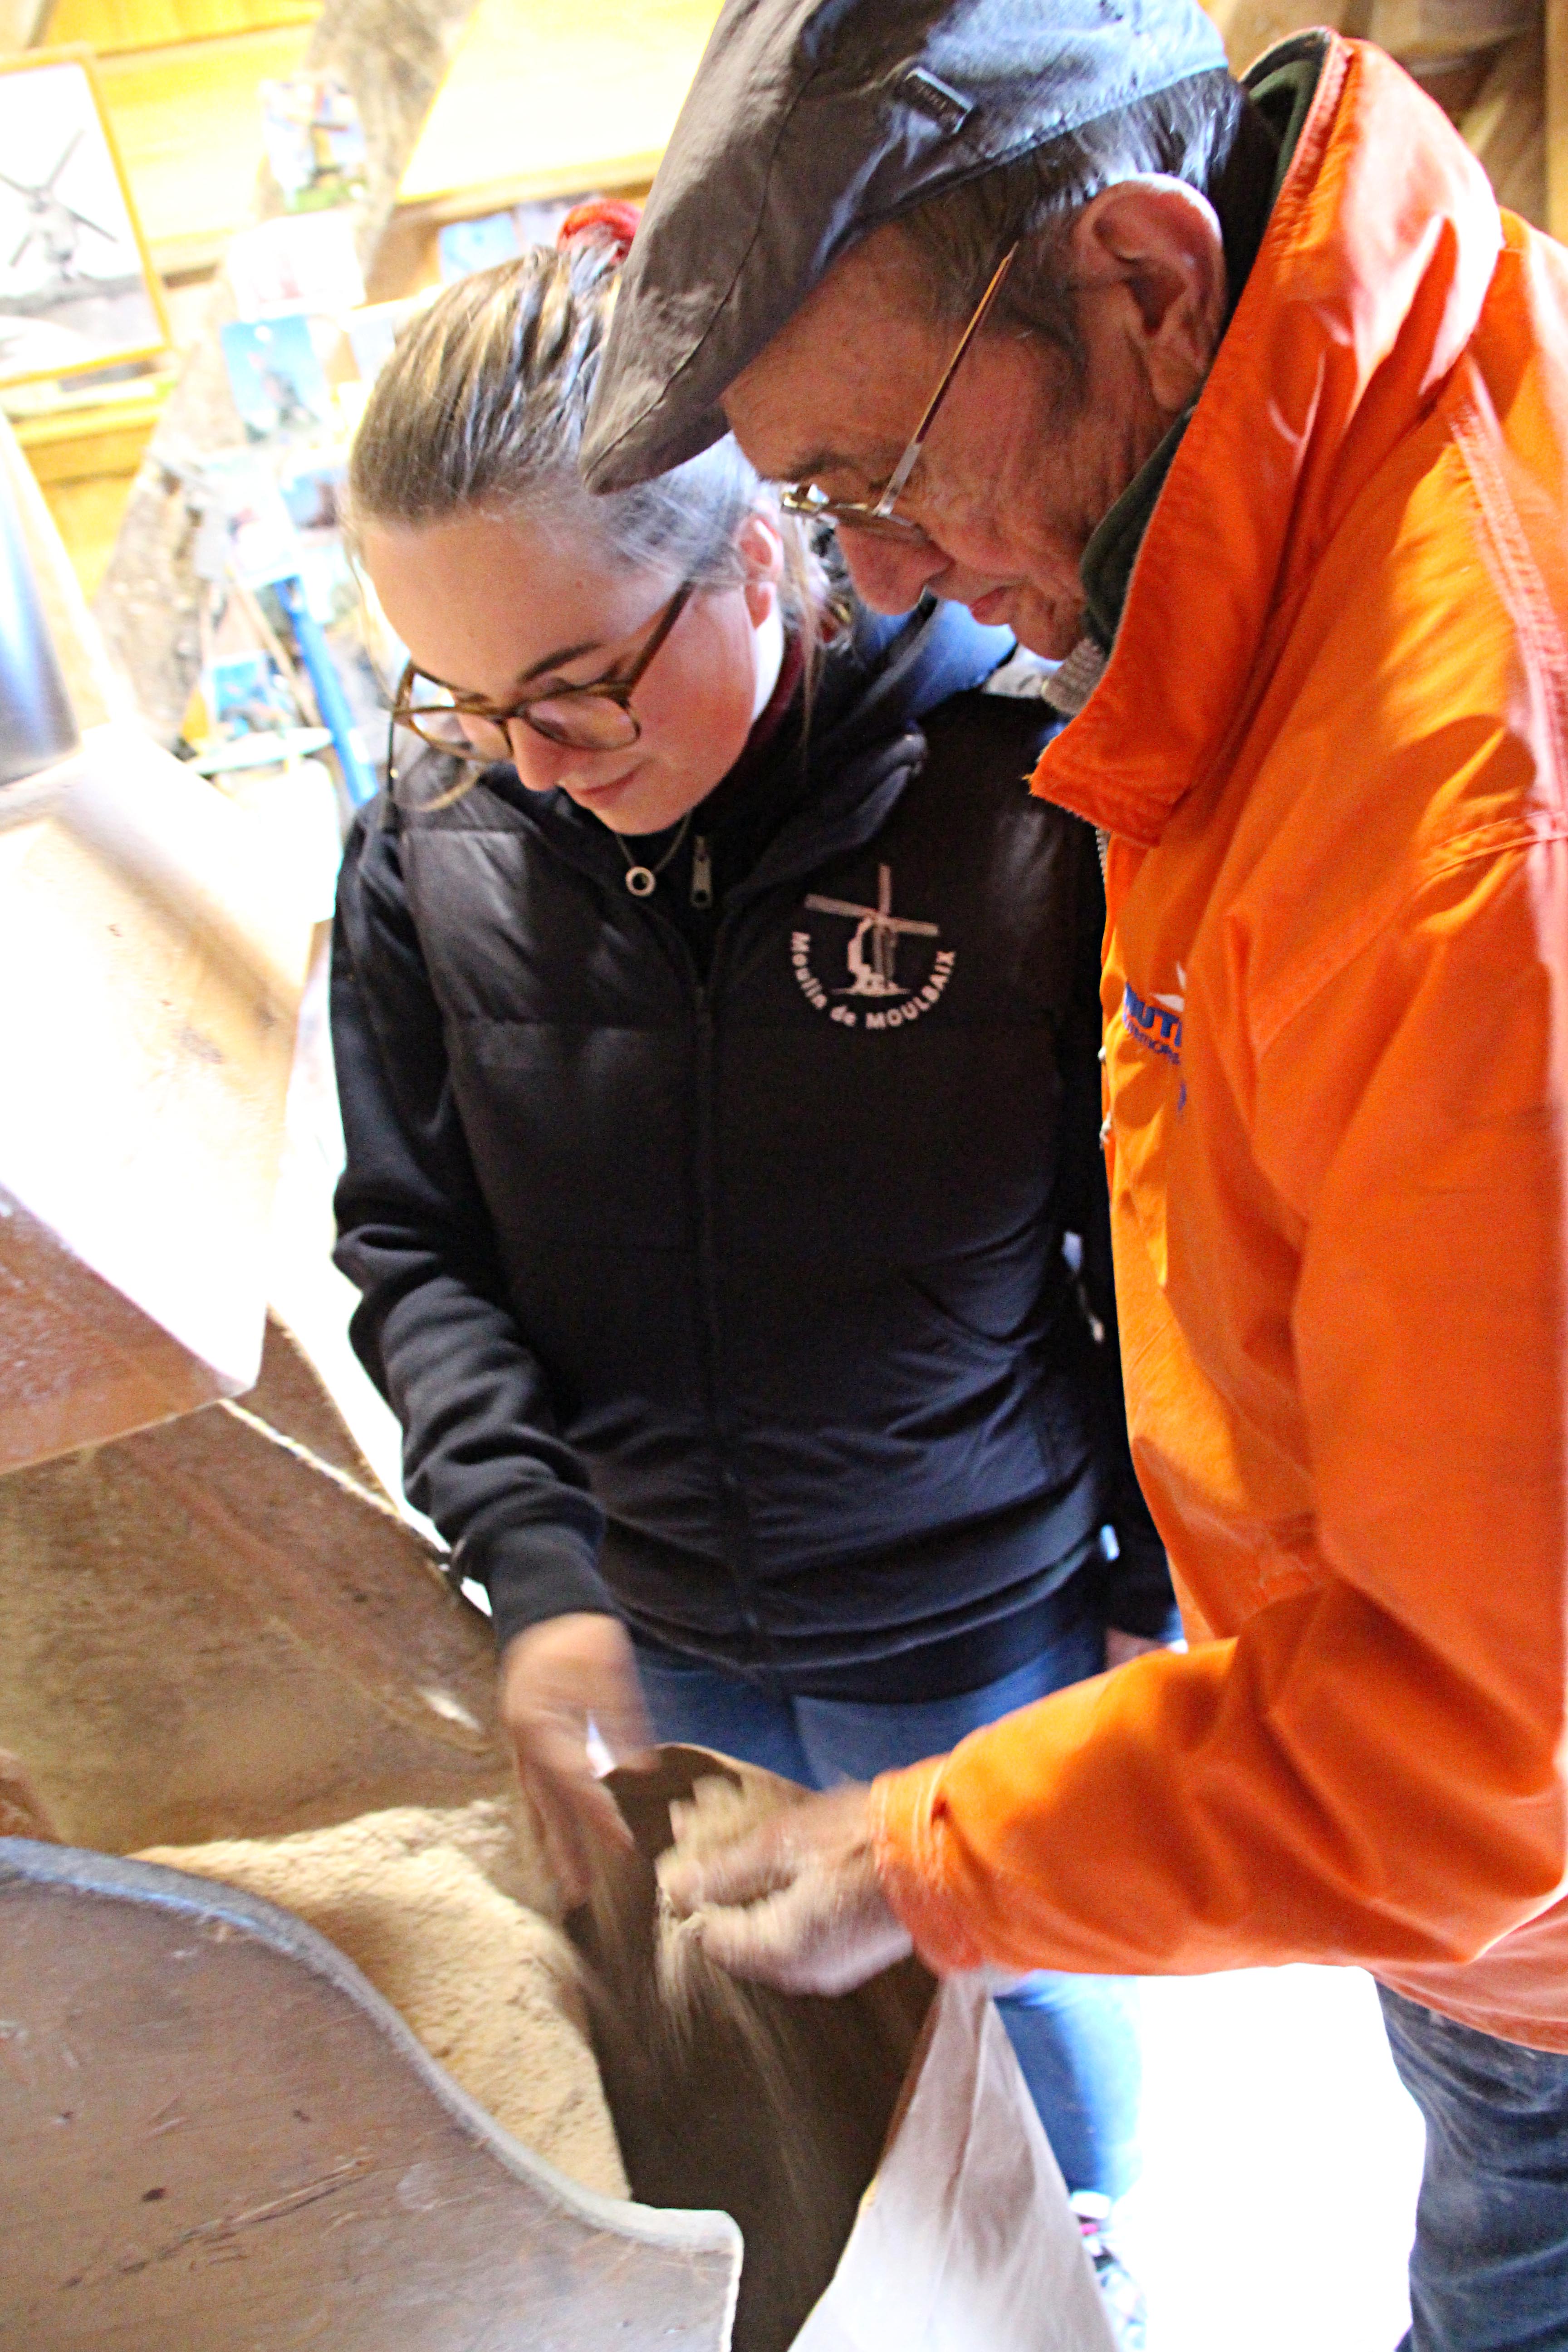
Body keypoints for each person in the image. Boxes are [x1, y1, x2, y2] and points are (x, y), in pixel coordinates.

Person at [580, 6, 1568, 2346]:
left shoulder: (1469, 825)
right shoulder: (1285, 524)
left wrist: (929, 1852)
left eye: (885, 471)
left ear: (1139, 282)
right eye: (822, 517)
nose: (893, 573)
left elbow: (1486, 1746)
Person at [331, 213, 1179, 2336]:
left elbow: (1155, 1241)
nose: (521, 758)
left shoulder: (1022, 787)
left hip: (971, 1605)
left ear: (760, 554)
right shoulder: (431, 846)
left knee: (1027, 2016)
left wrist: (1156, 1596)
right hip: (649, 1619)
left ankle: (1091, 2255)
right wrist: (535, 1567)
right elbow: (412, 1236)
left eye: (575, 681)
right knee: (772, 2050)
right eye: (449, 693)